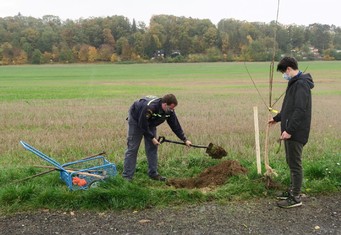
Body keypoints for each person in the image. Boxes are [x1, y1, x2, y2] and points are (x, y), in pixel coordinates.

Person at [269, 57, 314, 208]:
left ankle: (295, 198)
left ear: (288, 69)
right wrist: (277, 118)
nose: (284, 75)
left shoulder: (301, 84)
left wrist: (289, 130)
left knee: (295, 164)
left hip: (296, 132)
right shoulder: (294, 83)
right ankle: (292, 191)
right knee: (291, 162)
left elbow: (300, 110)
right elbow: (289, 108)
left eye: (283, 72)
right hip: (290, 130)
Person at [122, 94, 192, 181]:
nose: (172, 110)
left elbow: (175, 126)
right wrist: (152, 137)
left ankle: (153, 173)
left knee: (152, 148)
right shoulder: (150, 107)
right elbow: (142, 124)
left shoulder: (169, 111)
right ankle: (127, 177)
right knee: (132, 148)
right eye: (171, 108)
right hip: (137, 120)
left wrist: (185, 139)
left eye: (173, 108)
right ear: (165, 104)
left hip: (151, 122)